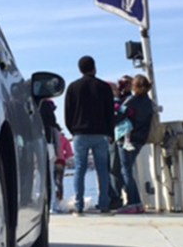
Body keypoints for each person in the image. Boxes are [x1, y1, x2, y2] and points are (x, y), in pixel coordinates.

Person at [64, 55, 115, 215]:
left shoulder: (73, 87)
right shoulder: (104, 87)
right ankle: (104, 204)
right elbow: (110, 113)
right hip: (100, 133)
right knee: (102, 170)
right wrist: (110, 132)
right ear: (94, 67)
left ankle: (79, 206)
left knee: (80, 169)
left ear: (80, 69)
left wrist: (73, 130)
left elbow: (68, 113)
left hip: (80, 133)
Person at [115, 74, 155, 215]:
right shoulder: (149, 102)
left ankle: (133, 203)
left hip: (127, 139)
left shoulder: (131, 101)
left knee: (125, 171)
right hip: (140, 140)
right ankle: (137, 203)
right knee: (128, 169)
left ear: (135, 86)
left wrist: (115, 102)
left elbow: (118, 116)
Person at [108, 76, 133, 209]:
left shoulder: (126, 100)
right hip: (113, 136)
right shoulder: (117, 101)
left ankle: (116, 198)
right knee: (112, 168)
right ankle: (112, 196)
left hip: (118, 137)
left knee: (115, 168)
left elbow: (120, 115)